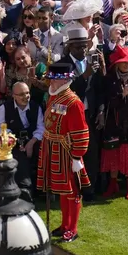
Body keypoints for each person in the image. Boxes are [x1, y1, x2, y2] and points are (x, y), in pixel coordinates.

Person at [37, 62, 91, 243]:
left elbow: (81, 132)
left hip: (67, 152)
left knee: (73, 191)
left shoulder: (73, 102)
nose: (50, 83)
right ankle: (65, 224)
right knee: (62, 190)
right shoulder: (55, 96)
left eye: (53, 79)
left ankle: (72, 229)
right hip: (53, 148)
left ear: (63, 81)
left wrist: (77, 156)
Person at [100, 46, 128, 201]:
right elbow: (108, 103)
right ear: (117, 64)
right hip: (115, 121)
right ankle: (113, 184)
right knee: (114, 153)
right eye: (123, 62)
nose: (127, 65)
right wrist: (122, 94)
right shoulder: (109, 79)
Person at [0, 81, 44, 193]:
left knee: (43, 151)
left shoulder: (36, 107)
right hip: (11, 143)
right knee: (18, 156)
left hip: (33, 141)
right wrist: (13, 140)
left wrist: (31, 142)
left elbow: (41, 128)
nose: (25, 96)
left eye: (27, 93)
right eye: (21, 94)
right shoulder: (4, 108)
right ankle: (25, 187)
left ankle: (43, 188)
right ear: (13, 95)